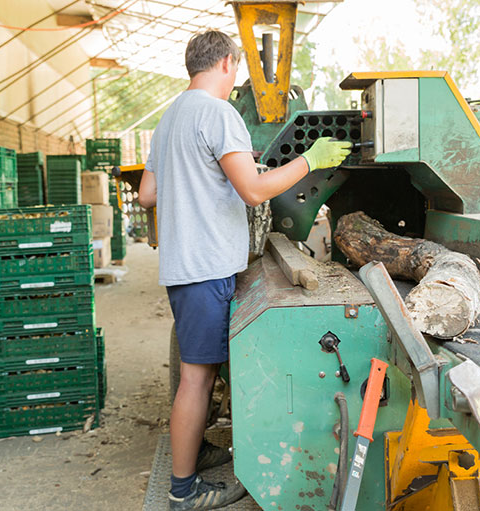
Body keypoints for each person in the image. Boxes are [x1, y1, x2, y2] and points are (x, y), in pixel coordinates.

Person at [139, 30, 350, 511]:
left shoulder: (171, 116)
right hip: (206, 266)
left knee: (203, 373)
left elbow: (148, 194)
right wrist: (309, 160)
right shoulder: (219, 113)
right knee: (197, 378)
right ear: (230, 65)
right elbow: (254, 191)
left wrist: (200, 179)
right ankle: (183, 491)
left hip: (181, 265)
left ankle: (197, 452)